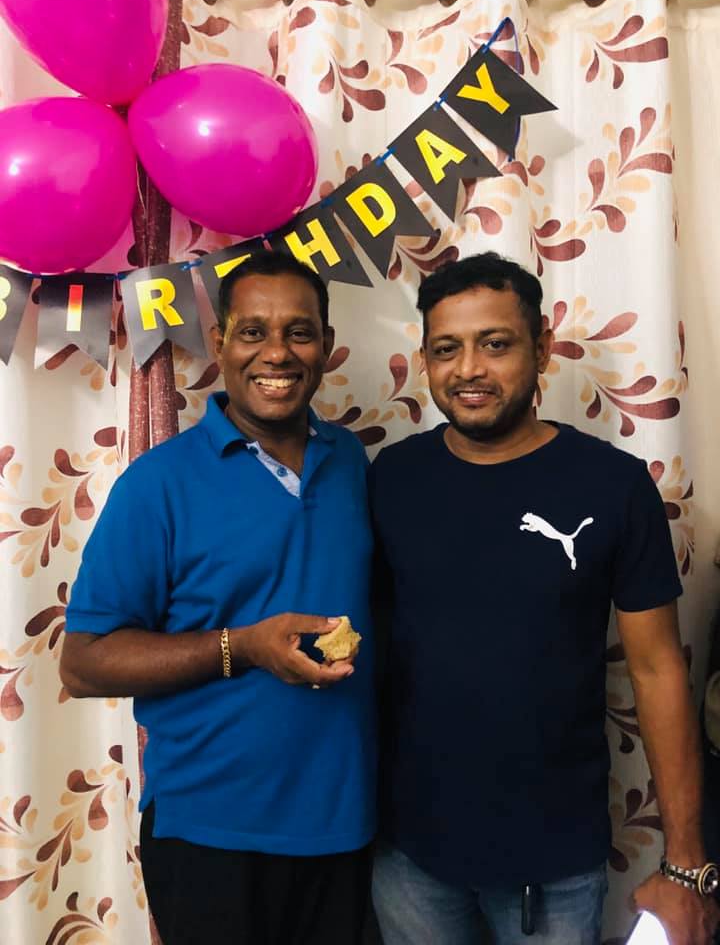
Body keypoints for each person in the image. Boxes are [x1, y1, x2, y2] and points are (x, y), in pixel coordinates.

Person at [368, 252, 719, 945]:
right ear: (426, 359)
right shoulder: (391, 477)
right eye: (447, 348)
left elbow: (657, 671)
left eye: (495, 344)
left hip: (554, 860)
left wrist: (685, 863)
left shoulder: (613, 486)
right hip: (409, 854)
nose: (469, 368)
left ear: (542, 349)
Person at [60, 251, 376, 945]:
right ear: (220, 342)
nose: (277, 353)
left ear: (325, 345)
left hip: (345, 828)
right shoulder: (157, 485)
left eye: (299, 332)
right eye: (252, 331)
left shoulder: (350, 461)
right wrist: (245, 648)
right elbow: (82, 663)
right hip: (209, 838)